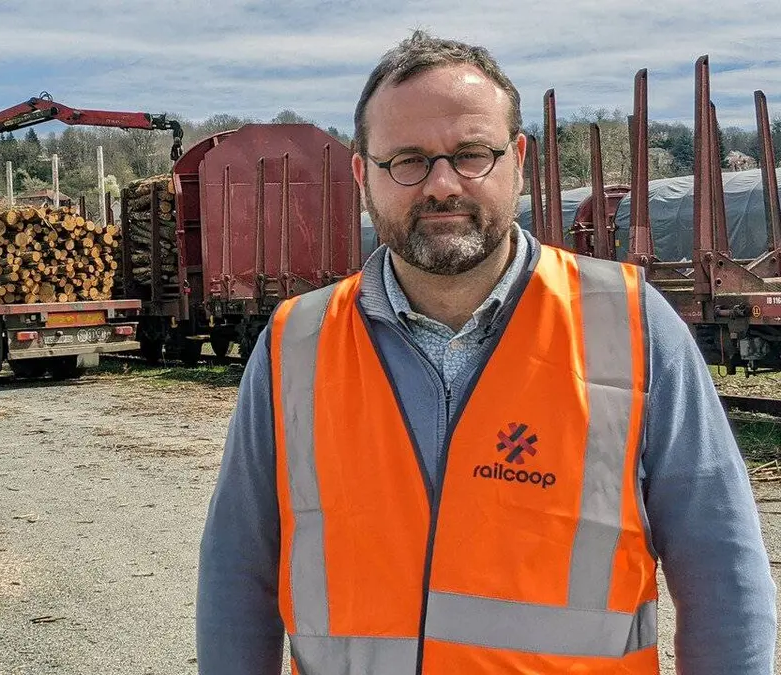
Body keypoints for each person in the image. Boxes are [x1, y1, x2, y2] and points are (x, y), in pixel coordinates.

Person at [195, 30, 777, 675]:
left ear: (518, 159)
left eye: (473, 154)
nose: (443, 185)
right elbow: (239, 570)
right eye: (407, 161)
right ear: (363, 173)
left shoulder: (632, 325)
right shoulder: (295, 343)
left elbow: (721, 570)